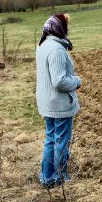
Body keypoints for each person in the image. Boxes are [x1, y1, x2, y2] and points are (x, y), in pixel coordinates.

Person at [36, 13, 82, 189]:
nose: (67, 30)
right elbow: (59, 81)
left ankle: (47, 176)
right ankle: (57, 176)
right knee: (60, 141)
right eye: (66, 26)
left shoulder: (43, 45)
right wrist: (77, 81)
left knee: (51, 139)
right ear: (59, 28)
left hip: (47, 102)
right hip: (59, 104)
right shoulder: (56, 49)